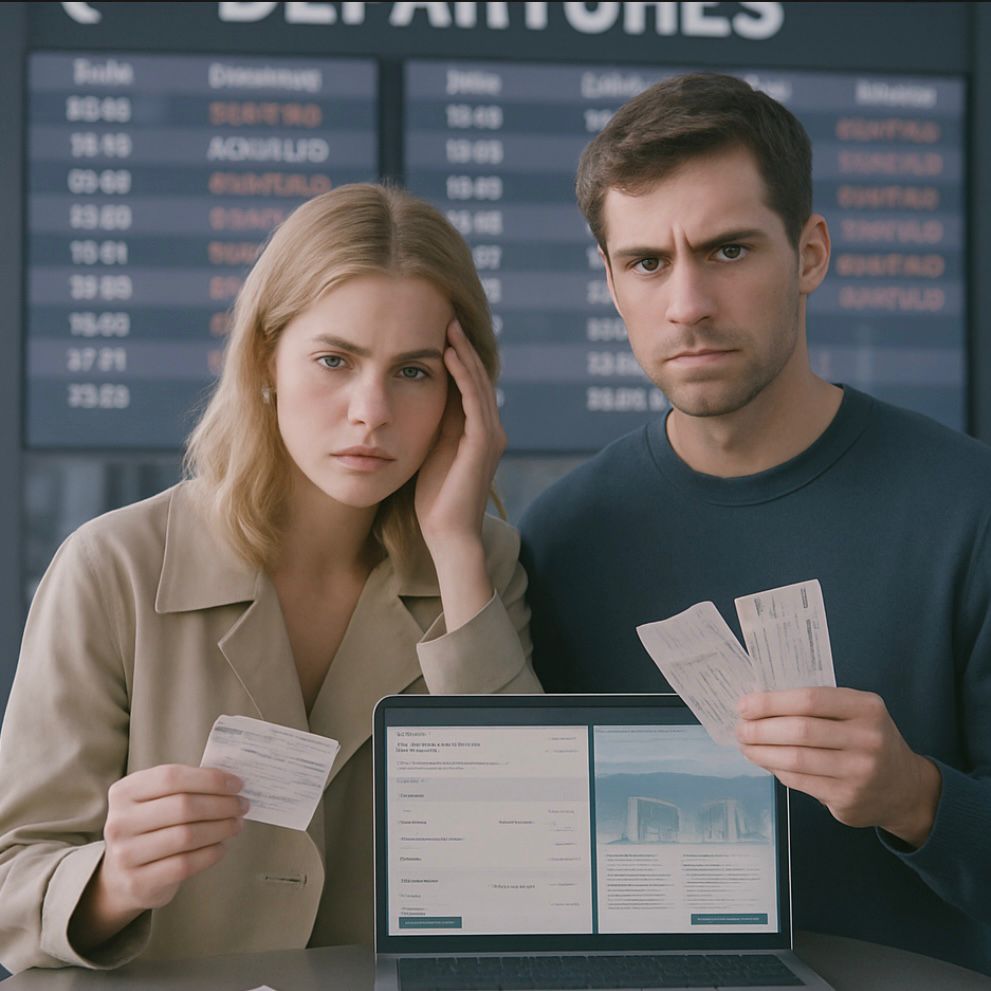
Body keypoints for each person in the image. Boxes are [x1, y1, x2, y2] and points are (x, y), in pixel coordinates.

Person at [0, 184, 541, 972]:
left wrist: (455, 545)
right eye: (334, 360)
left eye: (414, 372)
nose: (370, 411)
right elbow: (13, 877)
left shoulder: (482, 566)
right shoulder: (112, 565)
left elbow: (532, 853)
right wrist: (113, 879)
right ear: (264, 359)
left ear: (466, 393)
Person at [519, 73, 991, 974]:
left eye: (728, 251)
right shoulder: (560, 538)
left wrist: (916, 796)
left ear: (809, 253)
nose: (687, 303)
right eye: (647, 262)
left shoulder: (970, 510)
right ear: (612, 285)